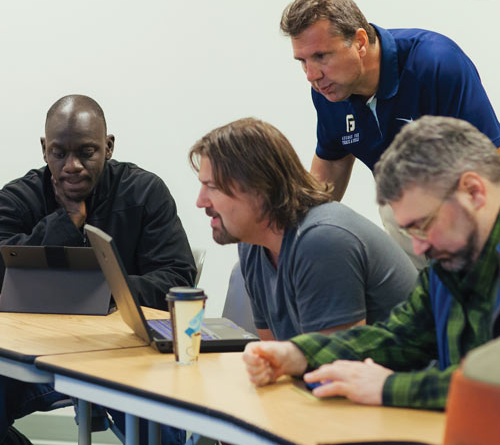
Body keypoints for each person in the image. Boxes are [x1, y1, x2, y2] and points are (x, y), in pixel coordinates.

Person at [243, 116, 500, 410]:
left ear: (473, 192)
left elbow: (490, 388)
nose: (418, 246)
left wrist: (389, 387)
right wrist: (297, 354)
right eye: (409, 231)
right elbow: (398, 339)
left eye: (423, 224)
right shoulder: (448, 267)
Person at [0, 95, 196, 445]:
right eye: (59, 153)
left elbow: (177, 279)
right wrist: (68, 220)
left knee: (161, 432)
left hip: (128, 355)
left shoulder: (145, 192)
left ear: (108, 146)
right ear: (45, 149)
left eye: (86, 152)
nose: (72, 165)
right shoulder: (18, 199)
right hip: (39, 350)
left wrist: (100, 294)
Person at [280, 0, 500, 268]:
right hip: (404, 215)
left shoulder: (435, 63)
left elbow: (490, 159)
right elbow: (331, 165)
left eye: (321, 56)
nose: (312, 75)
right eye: (303, 61)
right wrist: (296, 238)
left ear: (359, 42)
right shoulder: (328, 92)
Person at [189, 117, 416, 342]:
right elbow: (276, 355)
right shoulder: (253, 245)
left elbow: (334, 364)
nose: (200, 201)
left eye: (212, 187)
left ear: (260, 188)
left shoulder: (323, 240)